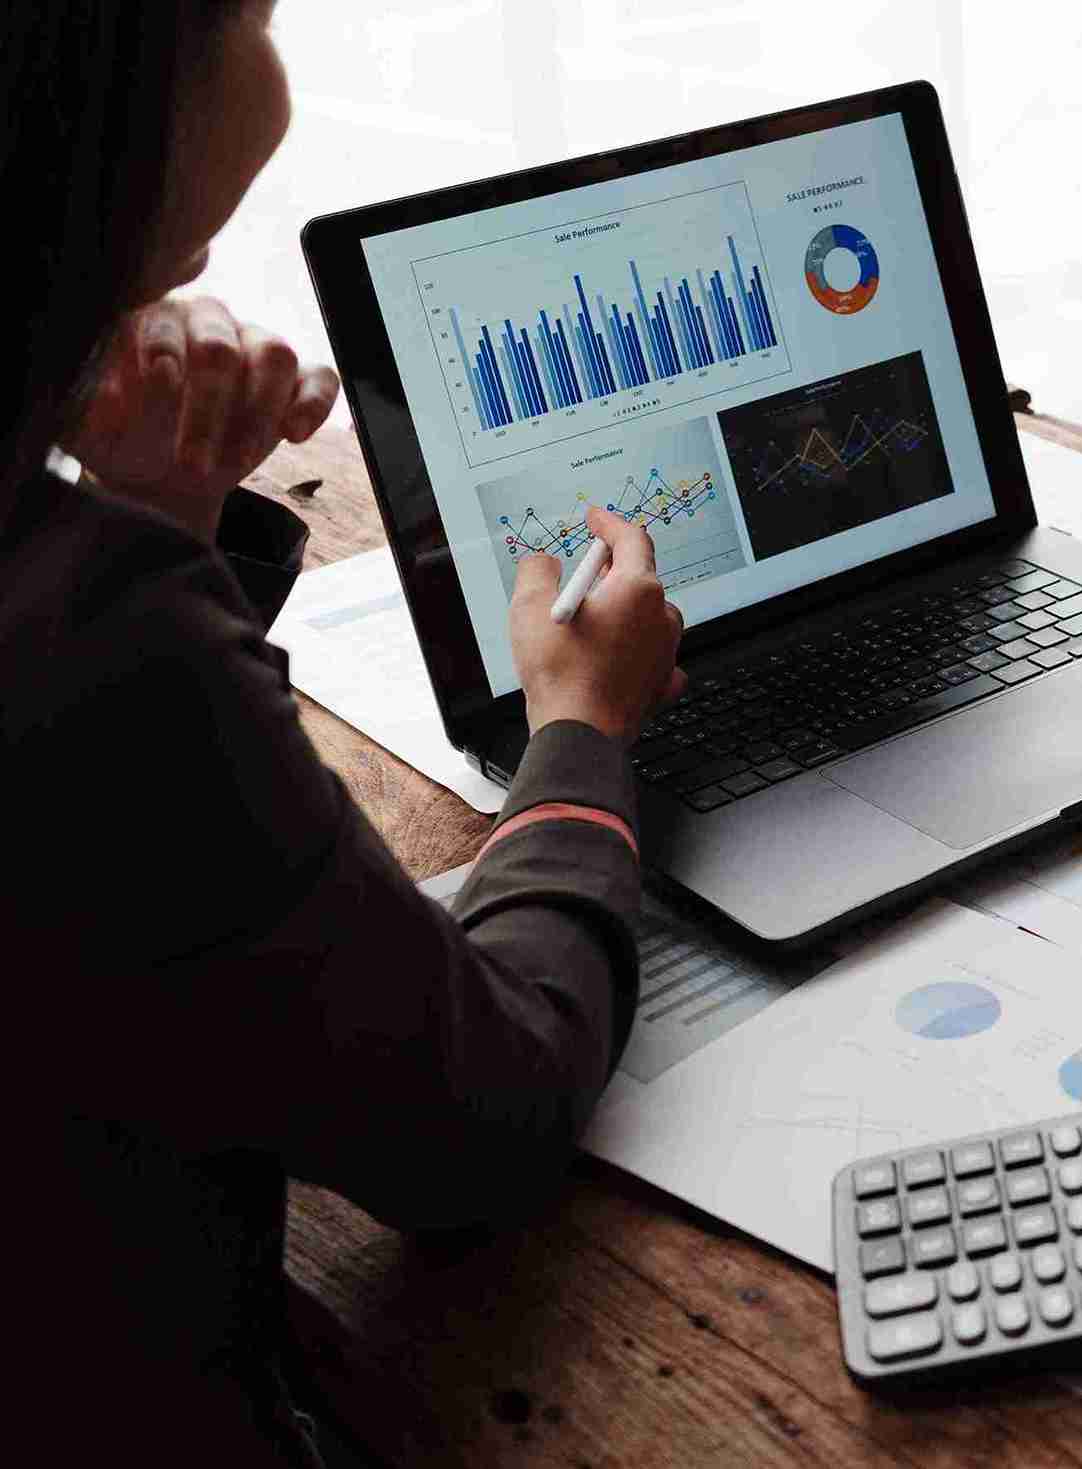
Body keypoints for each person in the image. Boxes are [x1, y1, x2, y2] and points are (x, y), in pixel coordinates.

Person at [4, 4, 685, 1462]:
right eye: (250, 14)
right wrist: (579, 728)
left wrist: (157, 535)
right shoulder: (102, 657)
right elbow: (483, 1121)